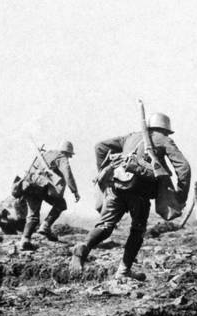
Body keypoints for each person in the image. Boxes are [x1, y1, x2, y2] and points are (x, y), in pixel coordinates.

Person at [70, 113, 190, 280]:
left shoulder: (131, 137)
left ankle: (83, 247)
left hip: (117, 186)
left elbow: (100, 147)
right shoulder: (163, 139)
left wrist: (104, 173)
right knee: (137, 230)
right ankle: (123, 271)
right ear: (165, 129)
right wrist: (180, 197)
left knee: (105, 225)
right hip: (140, 193)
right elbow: (184, 168)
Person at [17, 141, 80, 250]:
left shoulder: (46, 154)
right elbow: (68, 174)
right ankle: (45, 226)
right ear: (68, 152)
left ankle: (25, 240)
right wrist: (75, 191)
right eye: (69, 155)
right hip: (41, 187)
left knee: (32, 215)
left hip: (28, 185)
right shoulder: (62, 157)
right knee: (61, 204)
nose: (69, 158)